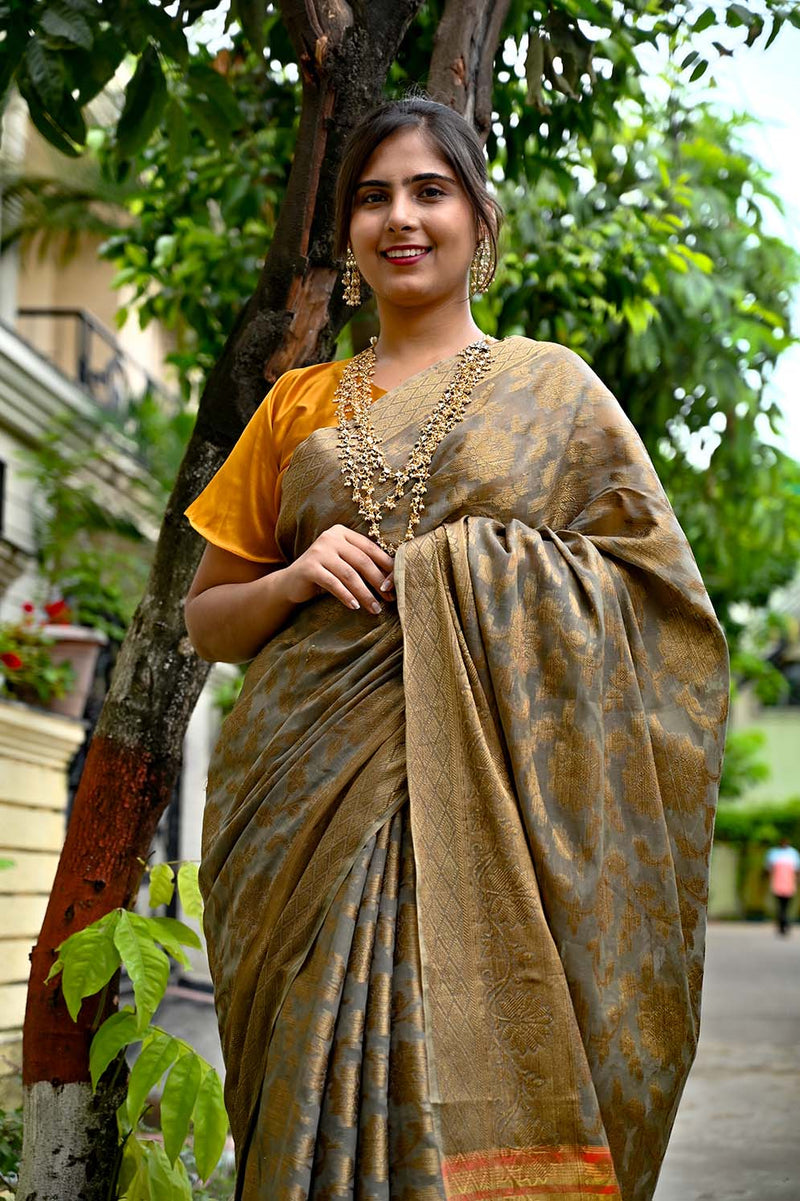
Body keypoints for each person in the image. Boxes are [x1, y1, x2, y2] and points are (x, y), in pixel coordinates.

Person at [183, 97, 729, 1201]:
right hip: (300, 810)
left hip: (494, 815)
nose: (400, 217)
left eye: (429, 191)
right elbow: (208, 618)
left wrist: (463, 570)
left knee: (458, 1102)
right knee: (301, 1085)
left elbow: (661, 610)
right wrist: (293, 576)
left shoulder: (557, 392)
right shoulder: (293, 406)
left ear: (479, 219)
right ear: (347, 233)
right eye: (372, 197)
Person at [764, 838, 800, 935]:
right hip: (778, 882)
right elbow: (768, 868)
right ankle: (783, 923)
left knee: (786, 905)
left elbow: (797, 870)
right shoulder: (774, 853)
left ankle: (784, 922)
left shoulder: (793, 853)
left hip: (789, 882)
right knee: (780, 905)